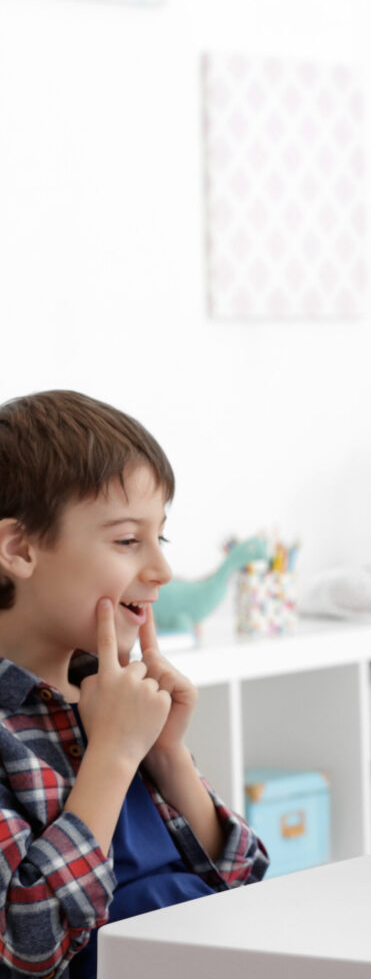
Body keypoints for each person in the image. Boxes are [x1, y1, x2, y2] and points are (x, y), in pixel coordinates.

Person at [0, 390, 268, 978]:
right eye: (128, 541)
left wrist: (167, 754)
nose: (162, 570)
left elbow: (248, 886)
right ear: (19, 549)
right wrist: (115, 756)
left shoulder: (122, 698)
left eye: (160, 537)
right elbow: (26, 951)